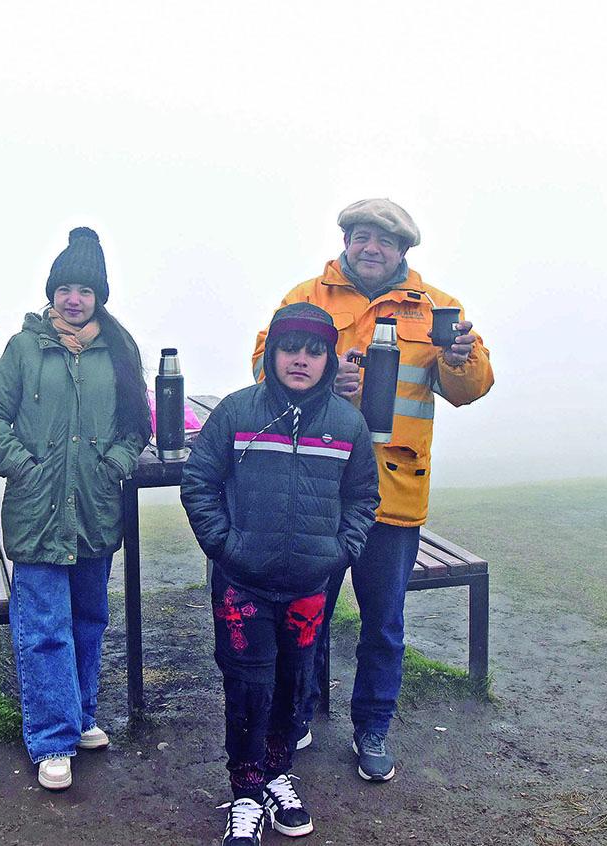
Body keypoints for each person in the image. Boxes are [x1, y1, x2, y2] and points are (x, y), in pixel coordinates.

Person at [251, 198, 494, 781]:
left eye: (383, 241)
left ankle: (373, 726)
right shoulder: (304, 297)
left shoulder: (438, 309)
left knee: (384, 622)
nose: (370, 248)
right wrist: (329, 374)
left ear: (403, 252)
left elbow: (472, 389)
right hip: (320, 486)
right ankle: (300, 710)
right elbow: (263, 367)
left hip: (394, 492)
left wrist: (459, 360)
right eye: (361, 236)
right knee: (306, 612)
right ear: (345, 240)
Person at [182, 303, 378, 846]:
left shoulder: (346, 423)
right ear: (271, 352)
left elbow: (363, 496)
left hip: (308, 589)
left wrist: (339, 552)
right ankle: (245, 792)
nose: (301, 360)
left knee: (296, 686)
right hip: (242, 584)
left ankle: (277, 774)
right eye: (290, 348)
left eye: (315, 351)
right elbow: (199, 480)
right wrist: (224, 545)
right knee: (248, 686)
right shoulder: (238, 412)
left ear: (329, 358)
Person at [0, 227, 151, 791]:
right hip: (36, 509)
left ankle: (79, 719)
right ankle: (51, 739)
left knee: (88, 620)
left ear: (99, 295)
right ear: (51, 292)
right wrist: (22, 465)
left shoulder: (120, 351)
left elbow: (136, 425)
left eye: (85, 289)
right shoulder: (25, 347)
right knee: (44, 627)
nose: (73, 299)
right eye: (64, 288)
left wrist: (114, 464)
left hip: (96, 509)